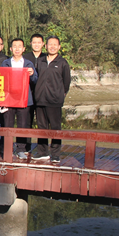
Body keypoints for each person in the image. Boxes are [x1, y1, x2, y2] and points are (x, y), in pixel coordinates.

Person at [32, 36, 71, 164]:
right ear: (46, 46)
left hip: (54, 101)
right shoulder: (40, 61)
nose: (52, 47)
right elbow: (36, 78)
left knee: (55, 127)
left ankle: (55, 154)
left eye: (55, 44)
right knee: (42, 127)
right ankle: (42, 152)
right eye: (50, 44)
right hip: (40, 99)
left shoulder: (62, 62)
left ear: (59, 47)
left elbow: (66, 82)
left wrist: (59, 95)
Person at [1, 38, 37, 160]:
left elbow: (35, 80)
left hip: (23, 99)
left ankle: (21, 149)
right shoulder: (5, 63)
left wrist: (32, 74)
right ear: (11, 49)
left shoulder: (28, 63)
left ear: (23, 49)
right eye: (14, 46)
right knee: (8, 125)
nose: (17, 49)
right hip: (9, 99)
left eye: (19, 46)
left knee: (22, 125)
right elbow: (1, 79)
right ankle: (8, 149)